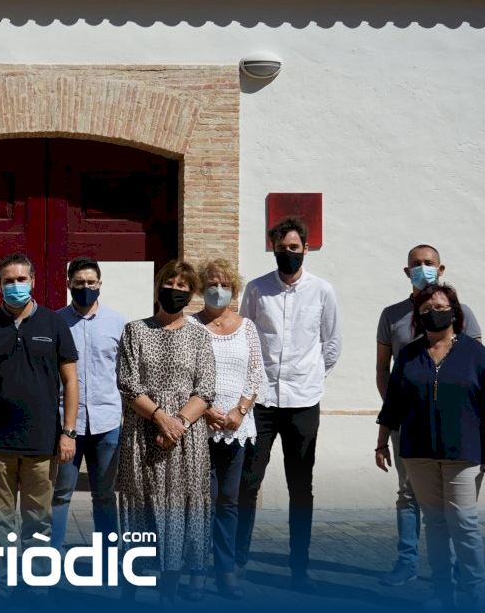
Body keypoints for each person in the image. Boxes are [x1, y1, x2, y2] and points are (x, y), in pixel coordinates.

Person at [376, 284, 485, 610]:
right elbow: (393, 404)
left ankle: (477, 596)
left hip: (463, 453)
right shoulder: (409, 354)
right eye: (425, 310)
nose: (433, 313)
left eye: (439, 307)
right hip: (417, 451)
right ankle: (442, 594)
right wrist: (381, 442)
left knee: (463, 523)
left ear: (454, 312)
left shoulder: (476, 354)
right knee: (435, 523)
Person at [0, 253, 79, 601]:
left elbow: (71, 381)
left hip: (42, 443)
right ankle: (0, 582)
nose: (15, 286)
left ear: (33, 281)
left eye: (21, 279)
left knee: (38, 520)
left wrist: (68, 432)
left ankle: (37, 582)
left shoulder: (54, 324)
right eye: (8, 281)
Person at [236, 217, 341, 593]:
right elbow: (246, 339)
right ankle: (237, 563)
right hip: (261, 402)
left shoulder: (323, 291)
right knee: (248, 483)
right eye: (282, 248)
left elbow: (331, 344)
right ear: (274, 249)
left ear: (305, 249)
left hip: (303, 402)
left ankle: (300, 567)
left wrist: (310, 377)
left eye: (294, 248)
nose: (288, 253)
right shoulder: (257, 289)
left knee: (301, 486)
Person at [375, 244, 483, 586]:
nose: (423, 268)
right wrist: (395, 412)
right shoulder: (392, 315)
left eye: (429, 263)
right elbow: (383, 369)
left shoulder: (461, 312)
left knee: (455, 501)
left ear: (441, 268)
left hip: (454, 426)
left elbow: (477, 367)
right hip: (408, 424)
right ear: (407, 272)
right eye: (416, 264)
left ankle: (457, 568)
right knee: (408, 493)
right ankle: (407, 562)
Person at [116, 259, 216, 605]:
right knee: (140, 506)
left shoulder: (200, 336)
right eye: (169, 284)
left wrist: (178, 425)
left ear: (192, 293)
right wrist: (161, 418)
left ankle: (169, 594)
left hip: (185, 441)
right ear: (159, 288)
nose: (175, 290)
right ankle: (130, 592)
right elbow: (128, 384)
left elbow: (205, 390)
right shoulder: (135, 331)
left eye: (182, 286)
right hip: (142, 435)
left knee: (178, 508)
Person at [188, 258, 263, 600]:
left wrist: (240, 410)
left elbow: (256, 373)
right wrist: (204, 411)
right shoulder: (191, 326)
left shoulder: (247, 327)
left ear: (234, 289)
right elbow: (185, 375)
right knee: (202, 501)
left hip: (236, 427)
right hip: (199, 427)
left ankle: (225, 570)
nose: (218, 290)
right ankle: (197, 571)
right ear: (201, 288)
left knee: (229, 501)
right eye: (211, 284)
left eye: (225, 284)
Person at [51, 257, 124, 551]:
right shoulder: (56, 322)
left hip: (107, 422)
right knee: (60, 493)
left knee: (104, 495)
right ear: (69, 284)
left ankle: (108, 556)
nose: (85, 287)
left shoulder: (117, 323)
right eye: (79, 282)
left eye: (91, 282)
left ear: (100, 284)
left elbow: (124, 372)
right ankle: (51, 555)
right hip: (67, 424)